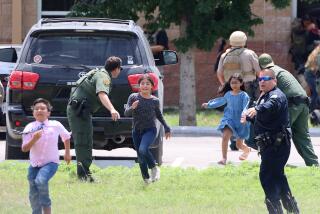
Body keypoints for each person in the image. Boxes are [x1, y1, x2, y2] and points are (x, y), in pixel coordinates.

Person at [244, 69, 299, 214]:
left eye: (266, 78)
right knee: (277, 175)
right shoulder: (264, 96)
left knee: (266, 175)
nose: (262, 81)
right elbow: (263, 117)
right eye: (260, 79)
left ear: (274, 80)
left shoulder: (276, 95)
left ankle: (275, 210)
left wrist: (257, 109)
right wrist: (248, 116)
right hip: (270, 145)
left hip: (278, 144)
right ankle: (292, 209)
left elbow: (271, 105)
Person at [67, 56, 122, 181]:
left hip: (80, 111)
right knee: (83, 142)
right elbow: (102, 94)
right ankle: (83, 175)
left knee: (85, 141)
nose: (120, 71)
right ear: (117, 69)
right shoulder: (104, 77)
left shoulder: (99, 72)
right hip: (79, 111)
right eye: (120, 69)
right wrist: (112, 109)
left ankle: (84, 172)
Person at [259, 53, 319, 166]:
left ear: (260, 65)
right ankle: (313, 165)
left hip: (292, 104)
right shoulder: (280, 70)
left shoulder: (269, 73)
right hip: (304, 102)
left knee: (278, 132)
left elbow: (266, 92)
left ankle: (275, 162)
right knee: (302, 135)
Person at [21, 98, 71, 214]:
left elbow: (66, 137)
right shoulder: (29, 127)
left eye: (43, 108)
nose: (39, 110)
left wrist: (67, 153)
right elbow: (24, 148)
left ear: (48, 112)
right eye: (36, 109)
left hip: (51, 163)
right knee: (33, 192)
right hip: (34, 164)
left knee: (41, 180)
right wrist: (34, 139)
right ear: (33, 113)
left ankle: (47, 209)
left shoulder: (56, 125)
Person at [217, 31, 261, 151]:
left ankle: (233, 143)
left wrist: (225, 85)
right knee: (250, 114)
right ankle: (249, 141)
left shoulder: (224, 55)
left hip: (230, 88)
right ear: (244, 41)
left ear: (231, 41)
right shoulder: (249, 53)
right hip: (248, 87)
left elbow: (219, 73)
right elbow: (259, 72)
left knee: (232, 114)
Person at [124, 74, 171, 184]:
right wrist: (132, 107)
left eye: (147, 84)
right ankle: (146, 179)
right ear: (139, 86)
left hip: (150, 130)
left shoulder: (155, 101)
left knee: (142, 149)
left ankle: (154, 167)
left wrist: (167, 127)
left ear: (152, 86)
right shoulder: (133, 97)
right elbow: (126, 113)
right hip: (136, 131)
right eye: (142, 84)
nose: (145, 86)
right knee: (140, 157)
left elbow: (159, 115)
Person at [202, 73, 251, 165]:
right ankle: (224, 159)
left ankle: (246, 150)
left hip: (241, 121)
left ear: (241, 83)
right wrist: (209, 105)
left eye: (236, 83)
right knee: (225, 137)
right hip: (229, 119)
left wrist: (244, 115)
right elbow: (220, 101)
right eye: (232, 83)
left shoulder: (244, 95)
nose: (234, 85)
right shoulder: (228, 94)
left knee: (238, 145)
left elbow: (246, 107)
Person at [304, 44, 320, 111]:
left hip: (311, 73)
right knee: (316, 93)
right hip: (311, 74)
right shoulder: (318, 53)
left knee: (315, 93)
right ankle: (311, 111)